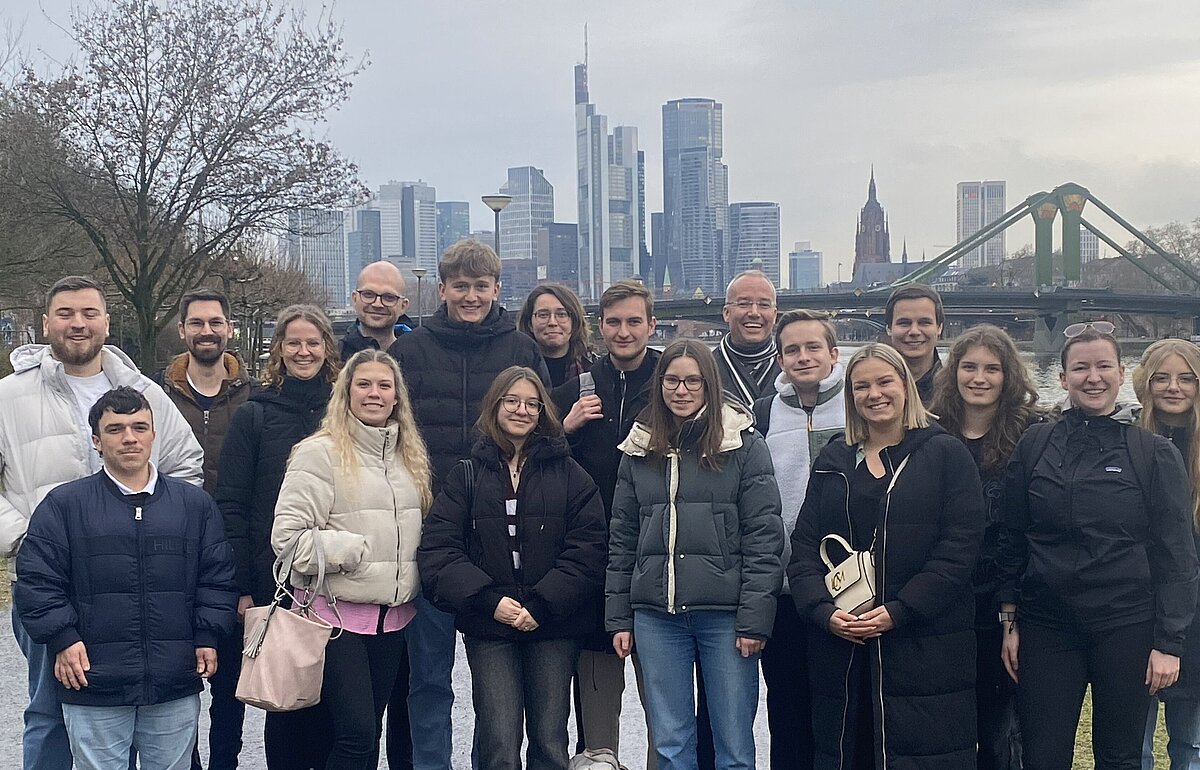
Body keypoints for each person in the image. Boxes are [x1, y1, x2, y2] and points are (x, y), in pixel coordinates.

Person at [0, 275, 203, 770]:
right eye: (65, 313)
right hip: (52, 581)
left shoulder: (143, 392)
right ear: (45, 323)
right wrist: (25, 541)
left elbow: (186, 467)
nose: (78, 323)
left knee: (149, 711)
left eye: (89, 313)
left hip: (141, 581)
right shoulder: (9, 397)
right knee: (49, 712)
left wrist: (159, 540)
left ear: (107, 322)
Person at [997, 325, 1199, 770]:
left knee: (1120, 755)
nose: (1093, 377)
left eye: (1104, 366)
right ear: (1065, 377)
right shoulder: (1036, 443)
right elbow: (1013, 535)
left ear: (1122, 373)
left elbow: (1176, 555)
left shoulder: (1152, 452)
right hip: (1048, 624)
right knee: (1043, 755)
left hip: (1126, 624)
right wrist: (1009, 618)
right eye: (1081, 368)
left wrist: (1169, 642)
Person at [14, 386, 236, 770]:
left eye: (139, 427)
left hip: (173, 681)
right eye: (116, 429)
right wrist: (63, 638)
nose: (129, 438)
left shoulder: (193, 506)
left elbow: (216, 577)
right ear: (96, 441)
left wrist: (207, 635)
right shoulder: (64, 506)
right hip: (94, 682)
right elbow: (37, 581)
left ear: (154, 435)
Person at [388, 239, 548, 770]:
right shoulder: (409, 352)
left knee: (494, 687)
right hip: (430, 535)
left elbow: (541, 431)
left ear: (498, 290)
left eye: (481, 286)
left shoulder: (521, 349)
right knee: (429, 679)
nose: (471, 295)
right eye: (461, 286)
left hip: (500, 536)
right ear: (442, 289)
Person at [789, 343, 985, 770]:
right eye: (861, 386)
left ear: (905, 386)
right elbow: (804, 547)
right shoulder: (833, 459)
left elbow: (960, 548)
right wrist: (823, 613)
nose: (874, 394)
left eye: (884, 382)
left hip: (925, 646)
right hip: (844, 649)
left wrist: (902, 609)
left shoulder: (946, 454)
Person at [607, 339, 784, 770]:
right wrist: (618, 617)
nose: (681, 390)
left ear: (709, 384)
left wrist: (754, 619)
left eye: (693, 381)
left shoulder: (742, 444)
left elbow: (765, 536)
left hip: (724, 616)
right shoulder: (639, 447)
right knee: (670, 744)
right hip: (655, 615)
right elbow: (622, 538)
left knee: (735, 747)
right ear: (659, 384)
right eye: (671, 380)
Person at [419, 366, 607, 770]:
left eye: (531, 403)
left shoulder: (571, 475)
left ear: (543, 412)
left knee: (550, 741)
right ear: (495, 406)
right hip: (490, 625)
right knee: (499, 743)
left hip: (552, 624)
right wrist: (489, 601)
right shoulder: (466, 475)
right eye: (512, 401)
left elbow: (588, 549)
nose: (521, 410)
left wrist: (542, 605)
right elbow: (439, 550)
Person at [271, 349, 430, 769]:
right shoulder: (318, 453)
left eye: (384, 385)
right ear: (345, 392)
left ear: (398, 397)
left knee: (364, 734)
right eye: (363, 384)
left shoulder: (407, 457)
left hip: (393, 621)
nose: (374, 393)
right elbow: (287, 539)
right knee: (357, 737)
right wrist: (350, 549)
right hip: (333, 619)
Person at [216, 304, 340, 770]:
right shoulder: (254, 416)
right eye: (294, 343)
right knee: (286, 697)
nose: (303, 351)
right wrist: (244, 585)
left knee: (338, 703)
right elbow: (233, 504)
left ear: (327, 348)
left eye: (312, 342)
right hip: (277, 581)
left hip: (338, 578)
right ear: (279, 350)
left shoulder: (345, 412)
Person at [550, 279, 660, 766]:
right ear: (600, 326)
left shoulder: (674, 382)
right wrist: (564, 427)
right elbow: (531, 462)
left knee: (666, 702)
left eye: (634, 321)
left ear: (651, 325)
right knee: (598, 704)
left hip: (659, 552)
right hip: (592, 558)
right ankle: (600, 759)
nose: (623, 331)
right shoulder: (575, 389)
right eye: (613, 322)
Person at [930, 324, 1039, 770]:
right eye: (969, 367)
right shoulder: (930, 433)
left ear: (1008, 375)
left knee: (1003, 729)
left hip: (1007, 599)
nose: (979, 378)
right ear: (953, 373)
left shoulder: (1034, 435)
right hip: (945, 602)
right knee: (948, 725)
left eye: (992, 369)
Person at [157, 287, 257, 770]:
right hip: (171, 553)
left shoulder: (255, 398)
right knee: (181, 676)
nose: (206, 331)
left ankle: (225, 763)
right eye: (196, 323)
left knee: (231, 681)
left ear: (229, 330)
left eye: (215, 322)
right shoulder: (156, 398)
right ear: (182, 330)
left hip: (232, 552)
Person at [750, 309, 846, 770]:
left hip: (850, 587)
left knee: (841, 708)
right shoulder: (765, 411)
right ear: (780, 357)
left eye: (813, 348)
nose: (803, 357)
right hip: (785, 589)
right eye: (792, 349)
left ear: (833, 353)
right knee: (785, 707)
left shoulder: (859, 402)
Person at [1134, 339, 1200, 770]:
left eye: (1186, 378)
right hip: (1137, 606)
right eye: (1162, 378)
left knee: (1191, 742)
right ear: (1145, 384)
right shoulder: (1127, 442)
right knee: (1133, 739)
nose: (1173, 388)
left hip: (1196, 614)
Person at [715, 270, 781, 409]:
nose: (754, 313)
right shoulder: (703, 368)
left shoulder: (792, 368)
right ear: (726, 313)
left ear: (774, 315)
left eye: (764, 305)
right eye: (744, 304)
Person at [517, 283, 595, 387]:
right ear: (530, 324)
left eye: (562, 314)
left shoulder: (594, 369)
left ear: (574, 321)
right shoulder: (514, 368)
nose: (552, 322)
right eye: (543, 315)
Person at [341, 261, 415, 360]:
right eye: (368, 294)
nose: (377, 304)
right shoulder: (334, 358)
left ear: (403, 306)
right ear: (354, 299)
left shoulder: (422, 356)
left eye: (389, 297)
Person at [885, 284, 944, 404]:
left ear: (939, 328)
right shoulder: (872, 390)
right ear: (889, 328)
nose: (914, 332)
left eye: (924, 322)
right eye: (904, 323)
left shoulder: (957, 390)